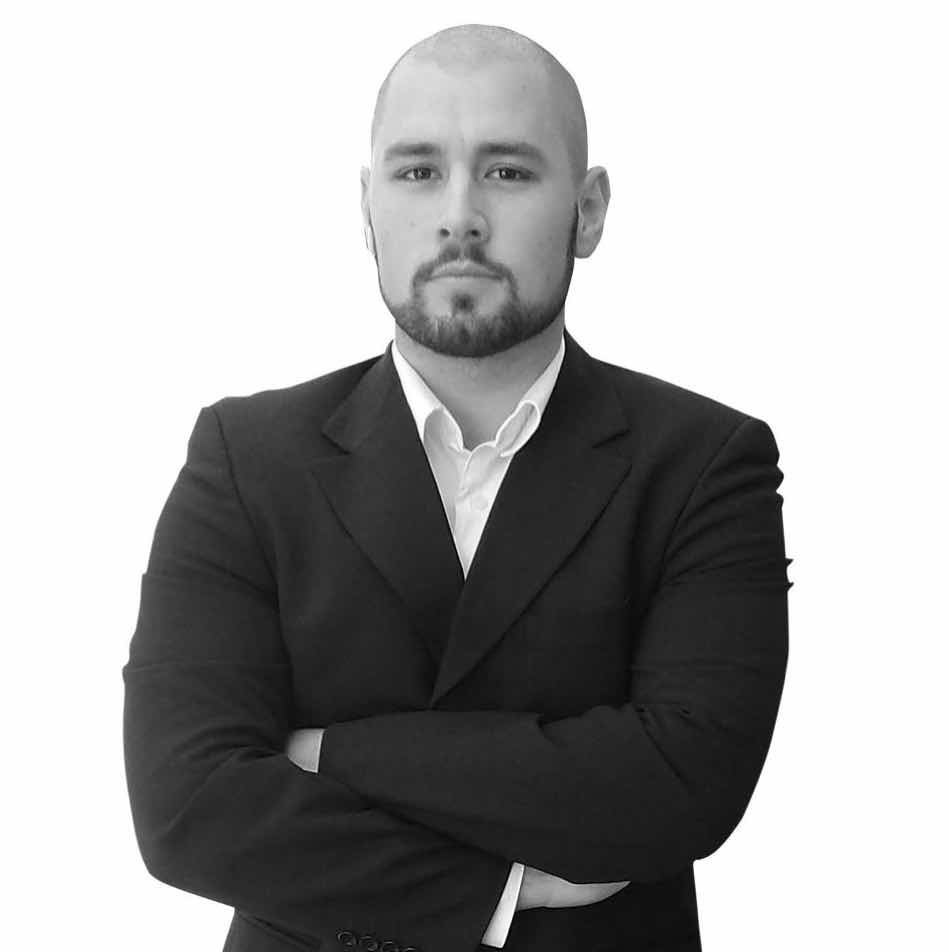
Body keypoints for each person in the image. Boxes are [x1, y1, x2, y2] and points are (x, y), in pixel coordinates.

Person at [123, 22, 792, 952]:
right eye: (418, 171)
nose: (459, 216)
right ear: (366, 208)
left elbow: (681, 787)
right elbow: (187, 806)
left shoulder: (705, 463)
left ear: (588, 211)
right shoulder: (246, 456)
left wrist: (327, 752)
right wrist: (501, 892)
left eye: (507, 171)